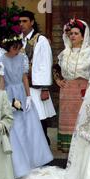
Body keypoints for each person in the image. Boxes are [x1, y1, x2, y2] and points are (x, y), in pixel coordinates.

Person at [0, 35, 53, 179]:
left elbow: (24, 78)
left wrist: (28, 96)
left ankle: (32, 159)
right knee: (15, 127)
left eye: (18, 47)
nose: (17, 50)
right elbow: (1, 81)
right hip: (9, 93)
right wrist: (2, 99)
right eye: (14, 47)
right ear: (8, 47)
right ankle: (20, 162)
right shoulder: (1, 60)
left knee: (28, 126)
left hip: (21, 93)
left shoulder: (22, 58)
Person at [54, 18, 90, 153]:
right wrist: (57, 79)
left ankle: (82, 153)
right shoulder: (65, 53)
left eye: (76, 33)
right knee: (68, 125)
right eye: (71, 33)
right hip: (67, 94)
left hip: (82, 93)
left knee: (82, 122)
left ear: (83, 36)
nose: (72, 36)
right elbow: (56, 67)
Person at [19, 10, 56, 146]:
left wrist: (45, 88)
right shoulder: (18, 40)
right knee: (23, 118)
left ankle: (43, 148)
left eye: (25, 21)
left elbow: (46, 64)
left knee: (39, 119)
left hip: (36, 86)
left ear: (32, 22)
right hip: (21, 86)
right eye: (20, 21)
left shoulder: (41, 40)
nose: (22, 24)